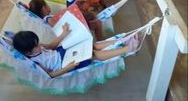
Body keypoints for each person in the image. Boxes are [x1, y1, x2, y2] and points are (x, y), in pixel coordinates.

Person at [12, 28, 140, 77]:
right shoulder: (35, 61)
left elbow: (51, 46)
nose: (39, 45)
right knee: (93, 54)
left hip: (61, 52)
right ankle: (128, 49)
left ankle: (123, 40)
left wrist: (63, 34)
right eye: (36, 46)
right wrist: (67, 68)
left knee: (91, 45)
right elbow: (50, 75)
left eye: (37, 42)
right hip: (64, 63)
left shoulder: (37, 46)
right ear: (28, 52)